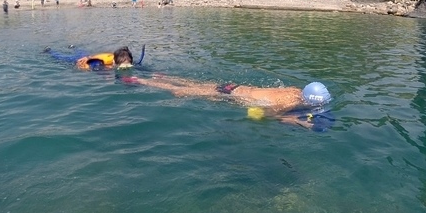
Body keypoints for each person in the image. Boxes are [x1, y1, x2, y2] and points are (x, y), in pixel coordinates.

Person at [125, 75, 333, 130]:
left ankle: (161, 77)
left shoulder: (295, 90)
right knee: (180, 92)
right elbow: (265, 115)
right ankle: (141, 81)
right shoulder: (287, 104)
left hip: (233, 86)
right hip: (229, 95)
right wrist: (296, 121)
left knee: (195, 84)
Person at [44, 46, 134, 70]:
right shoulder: (101, 63)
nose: (126, 67)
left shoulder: (127, 61)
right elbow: (93, 66)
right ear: (114, 62)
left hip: (92, 57)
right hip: (87, 59)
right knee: (63, 58)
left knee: (82, 52)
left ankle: (74, 47)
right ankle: (50, 51)